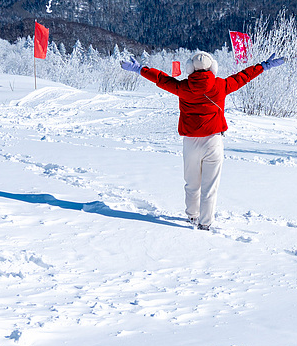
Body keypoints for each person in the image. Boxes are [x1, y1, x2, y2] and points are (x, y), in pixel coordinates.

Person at [119, 49, 287, 230]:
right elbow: (243, 77)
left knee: (192, 184)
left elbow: (161, 79)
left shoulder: (182, 87)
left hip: (190, 143)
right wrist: (263, 66)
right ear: (213, 67)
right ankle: (205, 223)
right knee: (210, 186)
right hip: (213, 142)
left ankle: (192, 216)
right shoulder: (221, 85)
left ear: (190, 68)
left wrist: (139, 69)